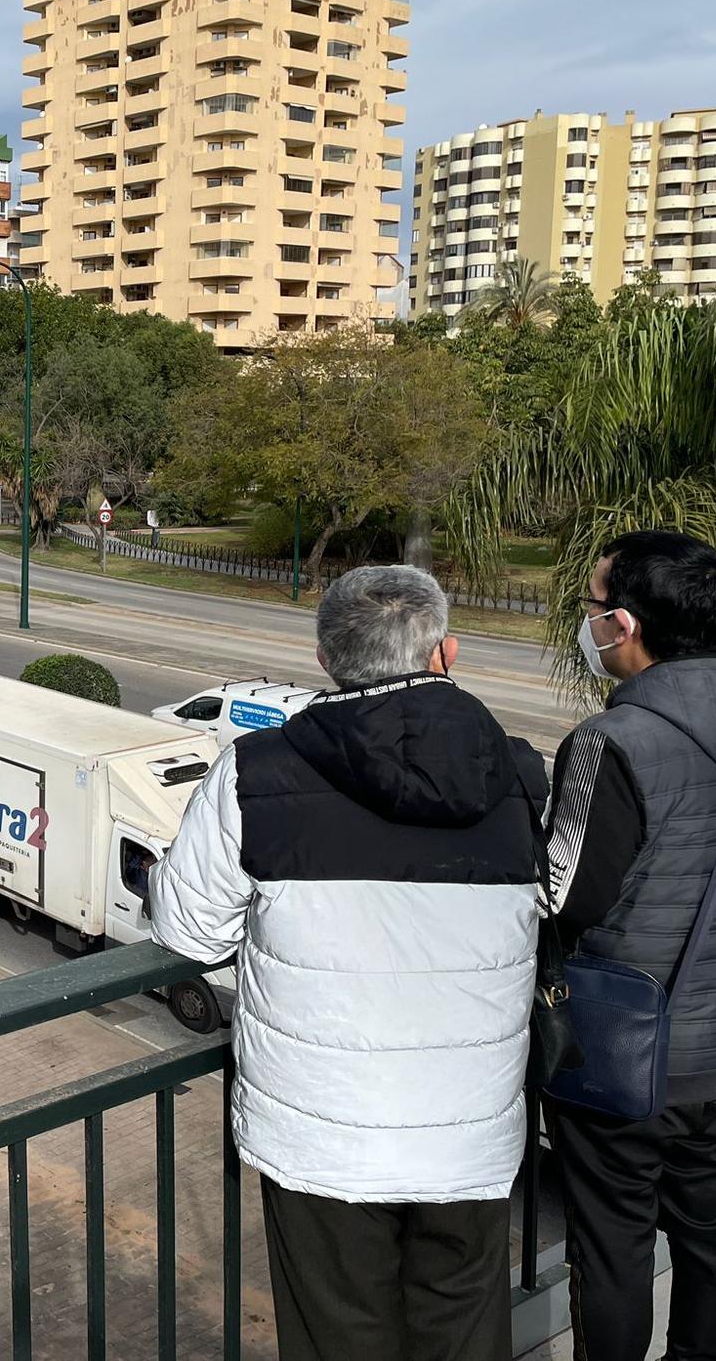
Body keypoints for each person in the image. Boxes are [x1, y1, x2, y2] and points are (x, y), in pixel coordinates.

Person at [150, 565, 542, 1361]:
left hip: (320, 1139)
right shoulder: (523, 772)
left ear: (327, 660)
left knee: (338, 1340)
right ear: (447, 653)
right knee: (466, 1335)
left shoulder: (256, 770)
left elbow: (191, 932)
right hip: (470, 1131)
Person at [544, 530, 716, 1361]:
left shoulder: (610, 742)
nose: (586, 623)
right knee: (712, 1236)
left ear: (622, 625)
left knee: (615, 1249)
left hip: (625, 1056)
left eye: (590, 607)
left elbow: (561, 896)